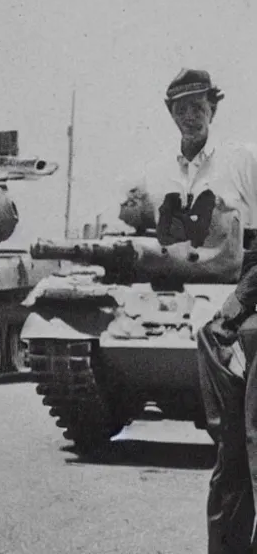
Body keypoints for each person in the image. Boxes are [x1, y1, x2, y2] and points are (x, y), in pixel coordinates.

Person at [153, 68, 257, 553]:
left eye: (198, 105)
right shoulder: (169, 174)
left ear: (214, 108)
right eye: (180, 107)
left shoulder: (240, 161)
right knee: (229, 459)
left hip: (247, 322)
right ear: (170, 114)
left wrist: (236, 309)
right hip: (209, 334)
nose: (189, 114)